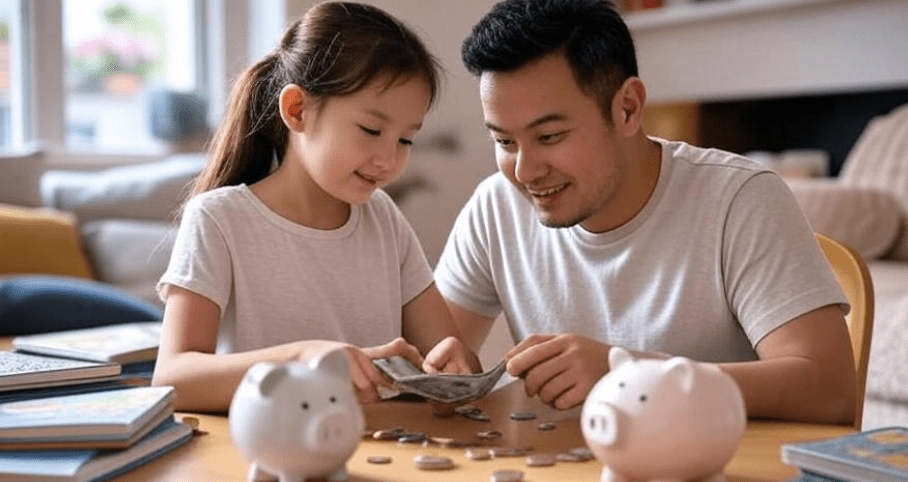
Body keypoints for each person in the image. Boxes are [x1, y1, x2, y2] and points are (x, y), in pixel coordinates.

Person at [435, 0, 856, 425]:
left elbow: (830, 390)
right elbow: (437, 355)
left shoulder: (739, 199)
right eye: (505, 142)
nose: (525, 172)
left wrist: (631, 374)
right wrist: (434, 369)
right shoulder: (495, 207)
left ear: (628, 108)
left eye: (549, 136)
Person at [152, 1, 480, 413]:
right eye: (371, 130)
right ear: (297, 109)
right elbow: (173, 379)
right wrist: (304, 358)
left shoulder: (383, 218)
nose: (389, 160)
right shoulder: (219, 220)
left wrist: (458, 367)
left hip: (372, 445)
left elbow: (450, 360)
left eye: (405, 140)